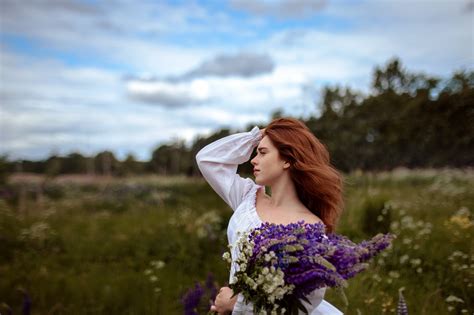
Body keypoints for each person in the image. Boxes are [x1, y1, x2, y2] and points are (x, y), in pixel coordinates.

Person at [195, 117, 345, 315]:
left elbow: (303, 303)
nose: (253, 160)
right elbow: (208, 160)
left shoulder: (310, 228)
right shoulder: (247, 198)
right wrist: (256, 137)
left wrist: (237, 304)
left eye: (263, 152)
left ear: (287, 160)